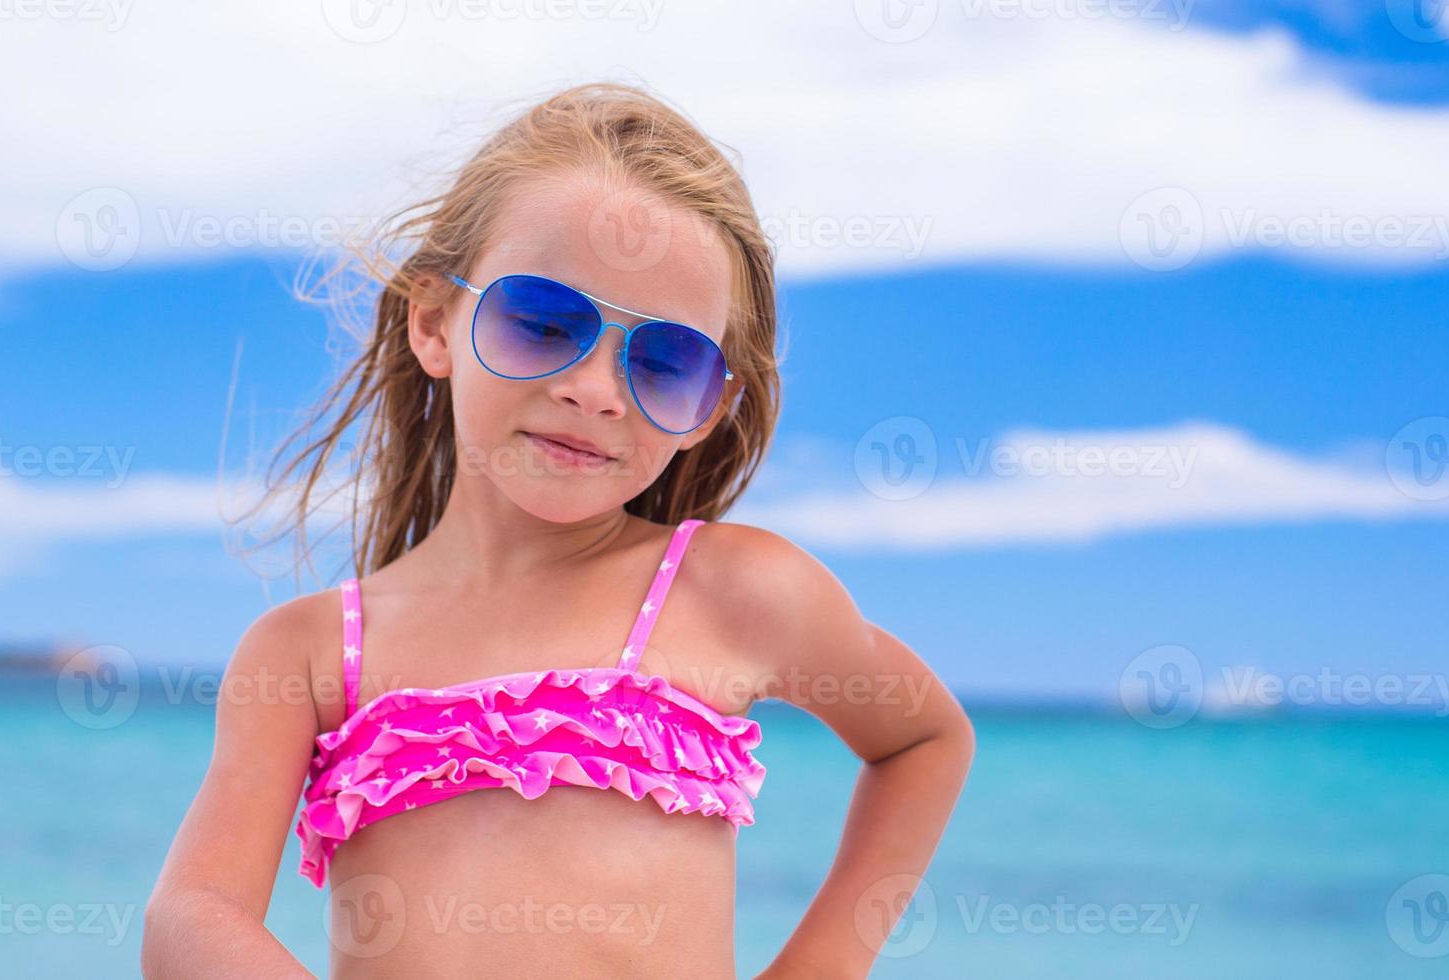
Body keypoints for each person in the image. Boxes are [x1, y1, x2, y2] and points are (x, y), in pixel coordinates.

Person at [143, 81, 974, 979]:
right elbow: (193, 914)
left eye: (665, 361)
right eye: (543, 322)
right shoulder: (308, 655)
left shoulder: (733, 591)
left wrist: (818, 968)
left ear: (709, 408)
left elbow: (922, 741)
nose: (595, 389)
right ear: (433, 322)